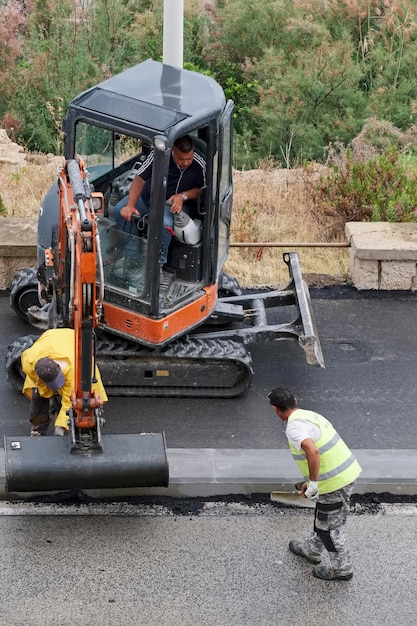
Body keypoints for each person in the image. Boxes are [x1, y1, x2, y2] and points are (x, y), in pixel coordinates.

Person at [268, 386, 362, 581]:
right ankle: (311, 550)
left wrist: (313, 483)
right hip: (344, 474)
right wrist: (310, 482)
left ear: (275, 409)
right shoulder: (308, 415)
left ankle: (342, 568)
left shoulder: (294, 427)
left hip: (335, 482)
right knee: (325, 518)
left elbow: (313, 451)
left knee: (329, 528)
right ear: (295, 401)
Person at [113, 135, 206, 267]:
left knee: (164, 223)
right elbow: (139, 179)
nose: (186, 163)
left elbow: (203, 190)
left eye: (189, 159)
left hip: (176, 204)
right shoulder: (159, 154)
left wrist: (183, 196)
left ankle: (157, 265)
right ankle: (132, 257)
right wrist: (130, 206)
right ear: (172, 150)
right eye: (181, 159)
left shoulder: (200, 163)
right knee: (119, 211)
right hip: (149, 197)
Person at [21, 328, 108, 437]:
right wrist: (47, 394)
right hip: (50, 338)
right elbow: (35, 380)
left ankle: (63, 422)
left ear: (58, 367)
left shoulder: (74, 371)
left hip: (70, 338)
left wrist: (61, 426)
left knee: (73, 397)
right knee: (37, 395)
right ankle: (38, 428)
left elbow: (69, 402)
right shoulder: (30, 361)